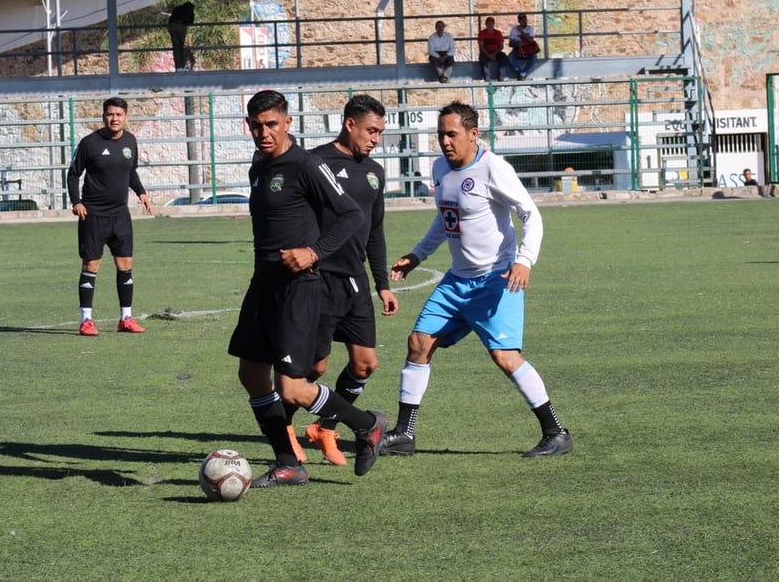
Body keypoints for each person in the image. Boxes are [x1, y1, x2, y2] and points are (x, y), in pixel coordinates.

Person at [380, 101, 573, 459]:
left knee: (505, 356)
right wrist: (418, 255)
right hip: (456, 282)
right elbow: (446, 217)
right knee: (419, 343)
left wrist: (524, 261)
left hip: (496, 279)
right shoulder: (440, 167)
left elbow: (531, 215)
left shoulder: (493, 168)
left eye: (452, 134)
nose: (445, 141)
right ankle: (405, 434)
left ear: (473, 134)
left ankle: (556, 432)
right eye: (440, 134)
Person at [228, 89, 387, 487]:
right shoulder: (259, 167)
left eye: (272, 124)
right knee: (251, 375)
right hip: (263, 285)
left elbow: (352, 215)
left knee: (294, 388)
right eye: (256, 126)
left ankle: (366, 425)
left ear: (287, 123)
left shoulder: (307, 165)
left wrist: (314, 252)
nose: (264, 133)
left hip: (297, 289)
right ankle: (288, 463)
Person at [281, 94, 399, 467]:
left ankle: (325, 427)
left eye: (379, 132)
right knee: (314, 368)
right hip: (318, 279)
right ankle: (283, 429)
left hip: (354, 280)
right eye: (371, 131)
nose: (375, 139)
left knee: (365, 364)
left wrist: (382, 284)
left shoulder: (375, 172)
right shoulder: (316, 163)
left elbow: (375, 231)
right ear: (349, 124)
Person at [66, 97, 153, 337]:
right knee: (91, 265)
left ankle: (126, 318)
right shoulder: (89, 143)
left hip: (120, 215)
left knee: (125, 265)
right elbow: (73, 174)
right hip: (93, 215)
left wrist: (141, 192)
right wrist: (76, 202)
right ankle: (86, 320)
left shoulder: (130, 141)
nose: (114, 119)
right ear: (103, 116)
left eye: (118, 115)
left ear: (126, 117)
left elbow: (131, 171)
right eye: (110, 114)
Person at [507, 13, 540, 80]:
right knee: (510, 58)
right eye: (522, 20)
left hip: (529, 50)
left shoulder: (530, 29)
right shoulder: (514, 30)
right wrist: (517, 43)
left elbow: (531, 41)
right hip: (518, 50)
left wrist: (522, 32)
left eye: (525, 20)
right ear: (519, 21)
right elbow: (510, 44)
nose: (524, 22)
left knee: (534, 57)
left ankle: (523, 73)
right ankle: (520, 73)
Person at [477, 16, 509, 81]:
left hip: (496, 52)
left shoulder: (498, 33)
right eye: (488, 24)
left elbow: (501, 46)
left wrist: (494, 54)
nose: (490, 25)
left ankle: (501, 76)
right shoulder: (482, 33)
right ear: (486, 24)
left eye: (491, 24)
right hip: (486, 53)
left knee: (504, 57)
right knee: (482, 58)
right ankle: (487, 78)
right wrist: (489, 55)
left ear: (493, 24)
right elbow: (481, 47)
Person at [167, 1, 195, 72]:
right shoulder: (189, 10)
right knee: (181, 47)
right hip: (181, 27)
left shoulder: (177, 8)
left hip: (172, 26)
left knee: (176, 47)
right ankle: (182, 66)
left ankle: (178, 67)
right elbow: (191, 21)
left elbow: (171, 18)